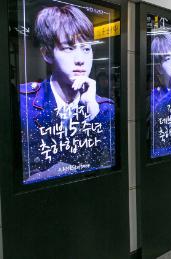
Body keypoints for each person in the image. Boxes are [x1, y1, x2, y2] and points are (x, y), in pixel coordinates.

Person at [18, 5, 115, 183]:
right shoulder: (23, 103)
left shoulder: (104, 109)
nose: (80, 59)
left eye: (86, 49)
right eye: (69, 48)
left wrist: (93, 114)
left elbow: (109, 168)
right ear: (47, 54)